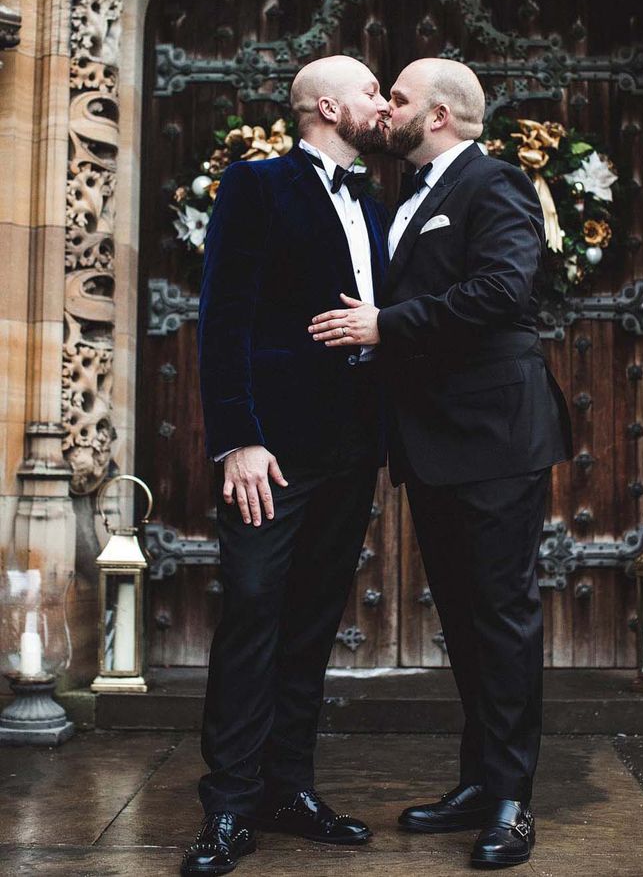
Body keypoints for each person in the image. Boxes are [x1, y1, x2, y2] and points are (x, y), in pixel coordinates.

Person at [309, 58, 572, 869]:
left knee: (500, 617)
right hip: (434, 446)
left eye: (398, 98)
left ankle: (511, 802)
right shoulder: (402, 199)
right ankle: (476, 781)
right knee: (463, 617)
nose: (386, 110)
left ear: (441, 117)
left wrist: (390, 323)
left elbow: (503, 292)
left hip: (493, 437)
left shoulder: (493, 186)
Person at [183, 55, 390, 876]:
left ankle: (287, 787)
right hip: (272, 452)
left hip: (352, 448)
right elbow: (223, 316)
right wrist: (237, 438)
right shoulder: (256, 185)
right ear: (330, 106)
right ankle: (228, 806)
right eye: (373, 92)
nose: (383, 104)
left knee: (311, 620)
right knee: (254, 612)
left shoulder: (372, 202)